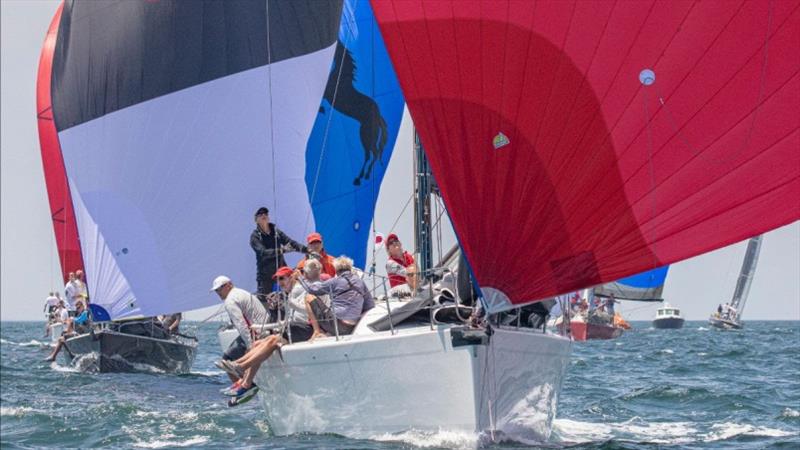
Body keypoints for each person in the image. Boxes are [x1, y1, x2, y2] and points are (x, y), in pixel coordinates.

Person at [211, 275, 270, 383]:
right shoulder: (241, 292)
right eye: (216, 291)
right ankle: (245, 382)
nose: (218, 292)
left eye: (220, 288)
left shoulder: (230, 301)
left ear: (229, 285)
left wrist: (250, 345)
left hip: (256, 332)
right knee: (233, 357)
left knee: (226, 360)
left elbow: (241, 324)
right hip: (264, 328)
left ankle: (243, 385)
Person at [301, 256, 374, 339]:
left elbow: (311, 289)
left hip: (336, 324)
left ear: (336, 270)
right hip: (351, 327)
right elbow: (370, 305)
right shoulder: (360, 282)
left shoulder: (335, 281)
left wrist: (301, 278)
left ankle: (316, 331)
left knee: (309, 297)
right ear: (350, 268)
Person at [250, 207, 307, 298]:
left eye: (266, 214)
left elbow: (290, 243)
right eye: (261, 215)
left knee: (290, 294)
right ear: (256, 220)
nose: (264, 215)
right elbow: (263, 253)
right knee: (267, 300)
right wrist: (281, 251)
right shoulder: (255, 236)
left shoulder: (275, 231)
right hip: (266, 276)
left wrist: (307, 250)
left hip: (281, 271)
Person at [217, 334, 283, 406]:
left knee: (228, 358)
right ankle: (242, 380)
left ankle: (244, 379)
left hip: (254, 333)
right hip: (249, 333)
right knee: (255, 345)